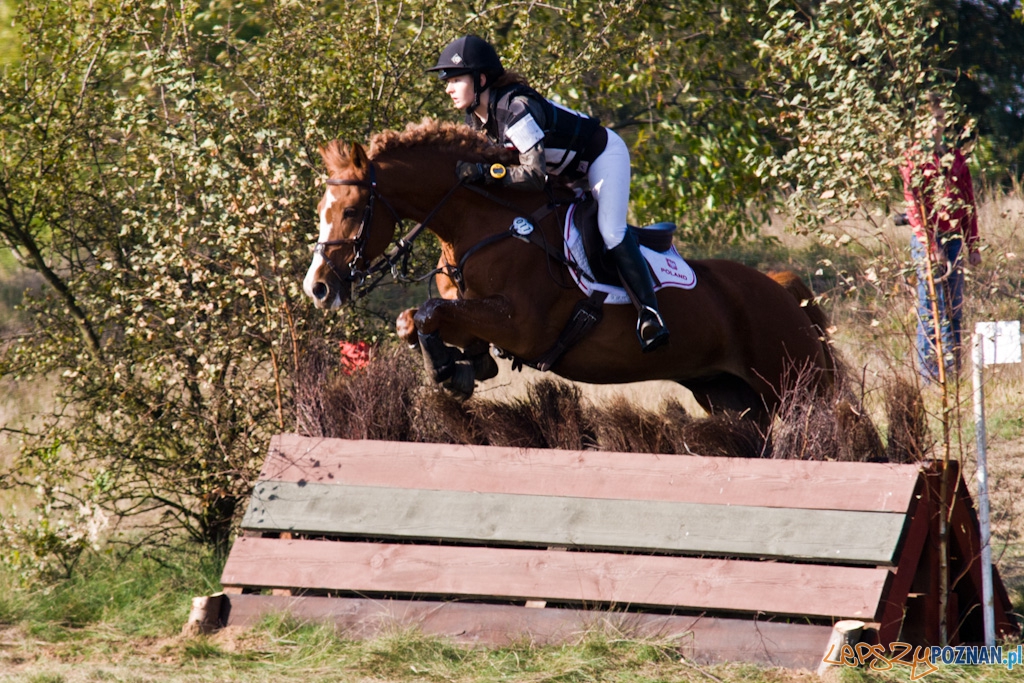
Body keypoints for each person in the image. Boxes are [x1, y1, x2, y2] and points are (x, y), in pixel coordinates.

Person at [427, 35, 669, 352]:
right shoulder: (477, 120)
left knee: (610, 231)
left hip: (598, 159)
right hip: (561, 173)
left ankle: (649, 314)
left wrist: (486, 173)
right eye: (448, 81)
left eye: (456, 79)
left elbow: (533, 174)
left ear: (481, 79)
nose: (448, 88)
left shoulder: (517, 109)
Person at [900, 93, 981, 382]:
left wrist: (973, 245)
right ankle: (931, 376)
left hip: (954, 239)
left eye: (939, 121)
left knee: (954, 307)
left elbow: (968, 203)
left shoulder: (955, 158)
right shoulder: (913, 160)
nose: (936, 127)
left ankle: (954, 373)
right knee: (932, 308)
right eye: (931, 121)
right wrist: (930, 245)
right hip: (928, 242)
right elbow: (913, 207)